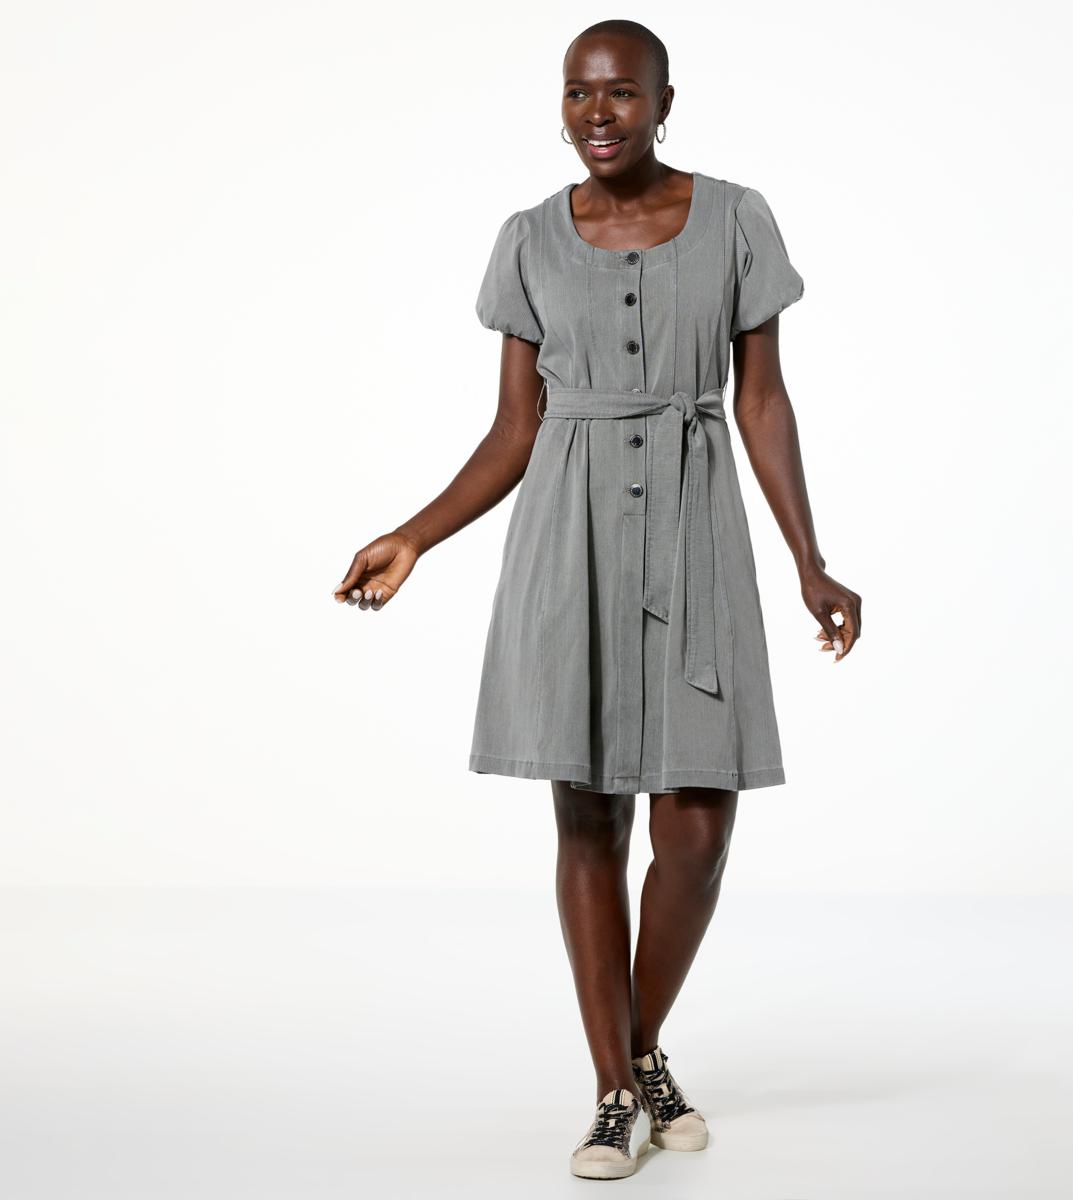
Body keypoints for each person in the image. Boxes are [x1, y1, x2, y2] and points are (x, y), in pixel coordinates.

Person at [333, 18, 862, 1182]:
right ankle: (619, 1090)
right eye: (578, 93)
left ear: (666, 101)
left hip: (694, 528)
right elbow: (512, 430)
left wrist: (809, 560)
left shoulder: (737, 219)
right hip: (565, 540)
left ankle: (638, 1045)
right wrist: (413, 536)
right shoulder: (528, 239)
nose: (598, 113)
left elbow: (762, 402)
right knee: (588, 819)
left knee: (698, 829)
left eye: (622, 92)